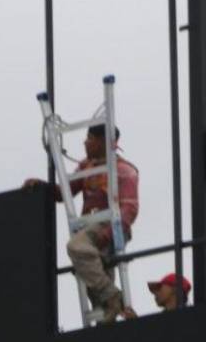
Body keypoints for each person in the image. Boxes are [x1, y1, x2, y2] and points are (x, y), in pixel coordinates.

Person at [25, 124, 139, 322]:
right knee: (94, 282)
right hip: (90, 228)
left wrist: (108, 234)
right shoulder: (86, 168)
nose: (85, 143)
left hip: (109, 227)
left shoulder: (124, 170)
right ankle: (111, 312)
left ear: (102, 141)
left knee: (77, 248)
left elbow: (129, 209)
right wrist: (43, 186)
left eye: (90, 139)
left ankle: (113, 296)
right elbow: (64, 193)